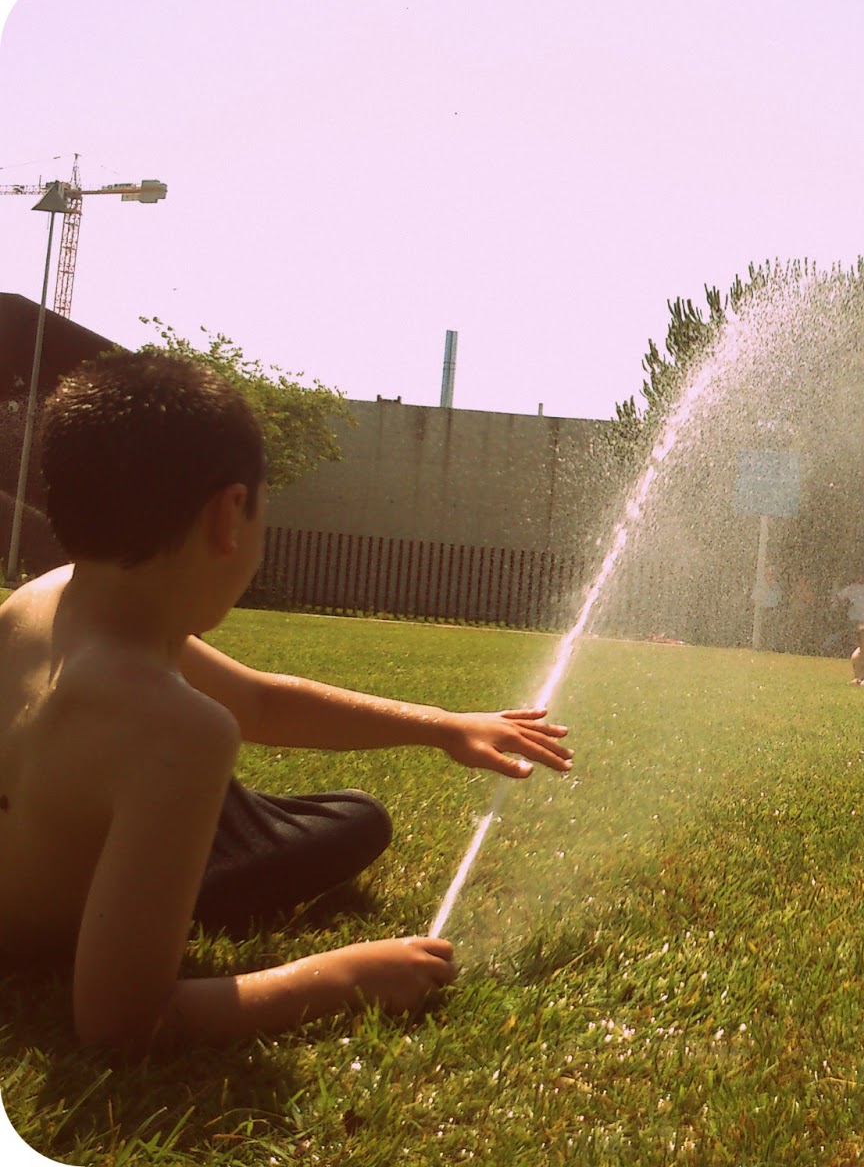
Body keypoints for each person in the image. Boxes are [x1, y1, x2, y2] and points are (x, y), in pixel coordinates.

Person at [0, 351, 573, 1050]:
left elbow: (260, 702)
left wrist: (444, 726)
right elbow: (121, 1022)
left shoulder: (39, 601)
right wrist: (345, 975)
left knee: (352, 815)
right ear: (229, 515)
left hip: (46, 841)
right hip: (53, 923)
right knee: (350, 827)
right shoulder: (179, 731)